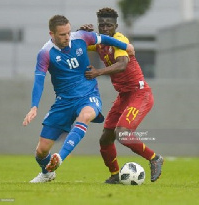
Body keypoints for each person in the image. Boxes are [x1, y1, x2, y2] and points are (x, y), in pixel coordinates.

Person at [22, 14, 134, 183]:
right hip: (63, 102)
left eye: (68, 32)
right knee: (41, 151)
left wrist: (126, 46)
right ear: (51, 34)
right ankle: (47, 173)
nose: (68, 37)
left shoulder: (81, 37)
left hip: (88, 95)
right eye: (62, 34)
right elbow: (39, 81)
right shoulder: (45, 53)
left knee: (86, 115)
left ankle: (60, 158)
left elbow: (104, 39)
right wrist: (34, 106)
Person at [80, 8, 164, 183]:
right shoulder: (101, 42)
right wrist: (83, 32)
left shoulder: (119, 40)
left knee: (123, 133)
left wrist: (98, 72)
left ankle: (154, 158)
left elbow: (122, 64)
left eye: (108, 25)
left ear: (115, 26)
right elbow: (79, 44)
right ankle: (115, 175)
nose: (104, 28)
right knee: (105, 139)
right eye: (101, 25)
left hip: (139, 93)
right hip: (124, 96)